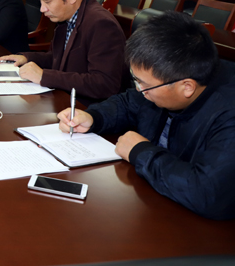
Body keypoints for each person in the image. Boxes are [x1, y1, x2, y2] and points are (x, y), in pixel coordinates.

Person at [57, 12, 235, 220]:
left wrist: (140, 152)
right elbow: (128, 102)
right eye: (135, 80)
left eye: (144, 84)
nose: (139, 89)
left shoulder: (228, 113)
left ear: (187, 87)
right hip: (153, 202)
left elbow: (207, 193)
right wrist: (94, 117)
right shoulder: (165, 80)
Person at [0, 0, 125, 101]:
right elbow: (58, 59)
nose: (42, 9)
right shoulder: (66, 17)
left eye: (47, 1)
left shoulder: (102, 24)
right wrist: (27, 58)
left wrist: (45, 76)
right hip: (64, 99)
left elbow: (105, 84)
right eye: (40, 1)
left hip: (86, 108)